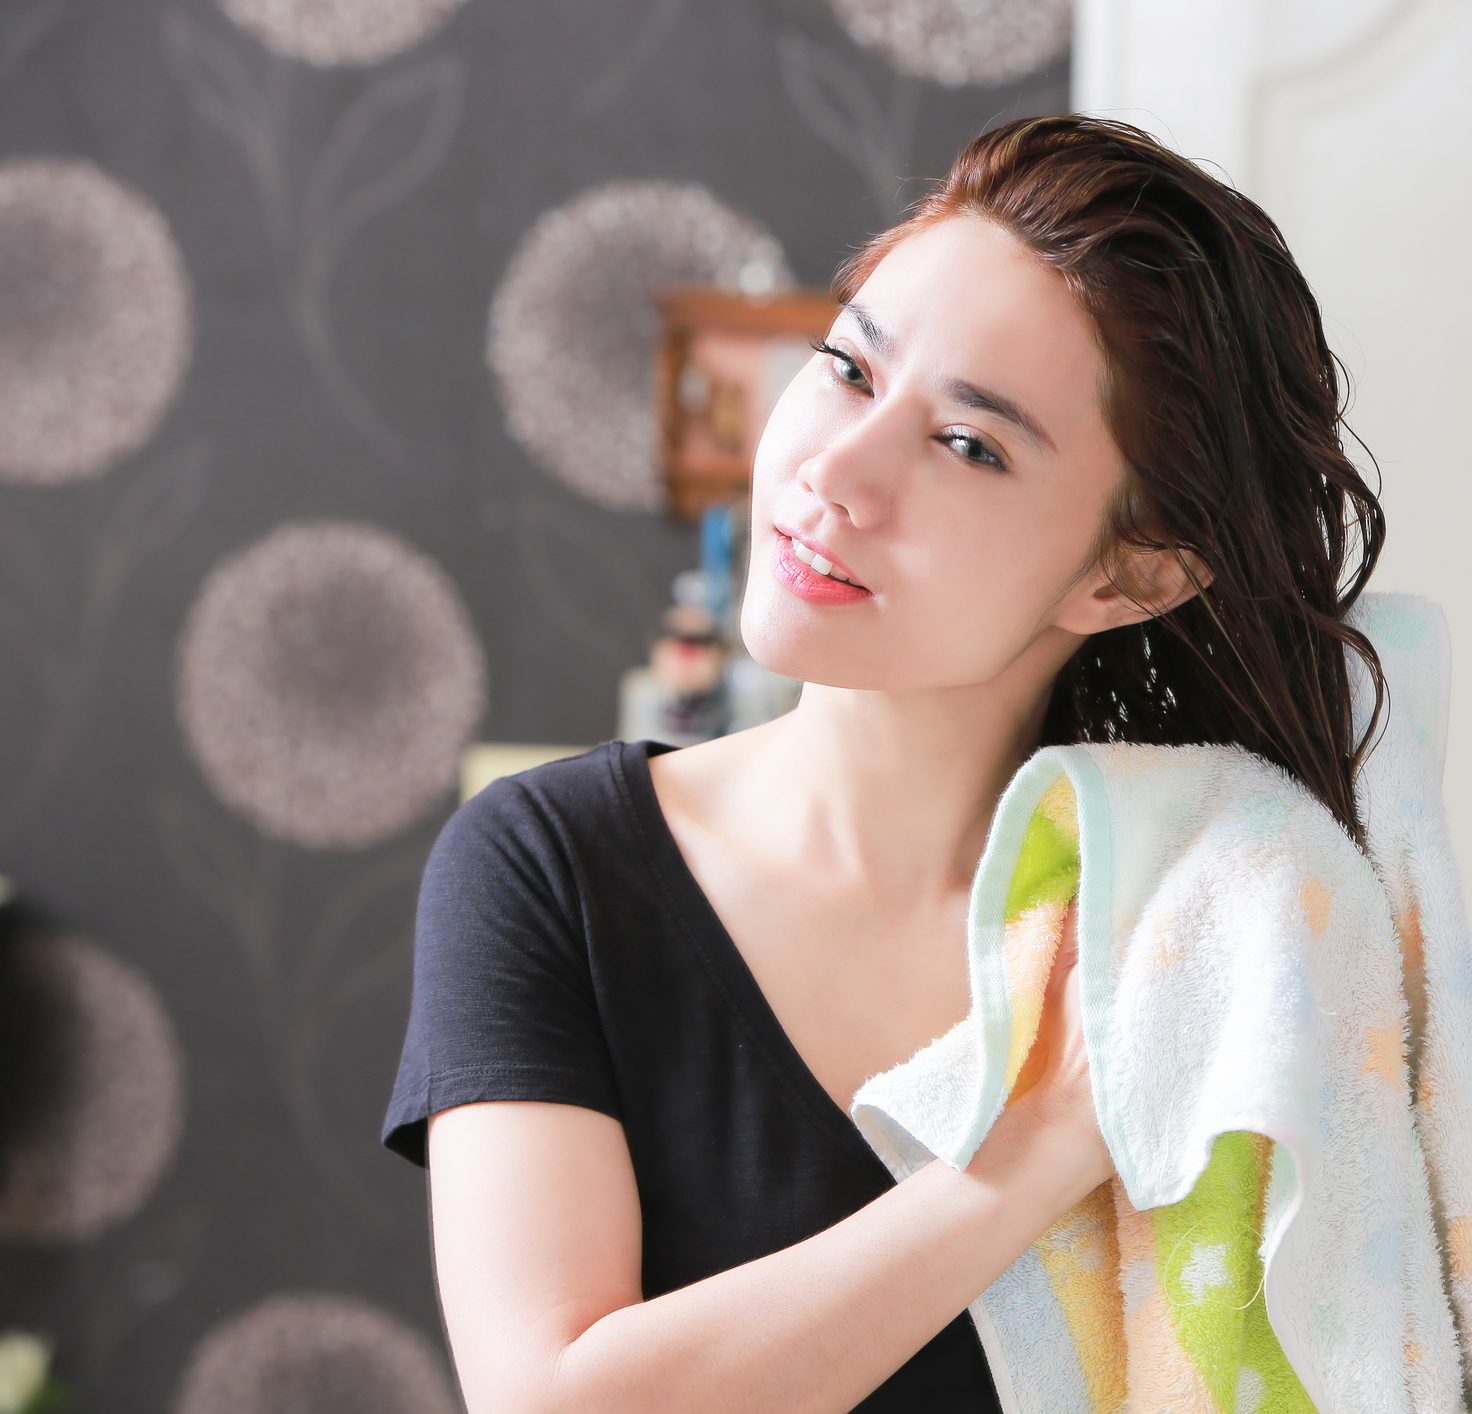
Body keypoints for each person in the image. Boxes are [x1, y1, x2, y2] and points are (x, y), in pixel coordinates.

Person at [380, 112, 1391, 1413]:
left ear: (1126, 570)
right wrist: (1043, 1148)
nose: (834, 471)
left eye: (969, 445)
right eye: (849, 370)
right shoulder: (549, 867)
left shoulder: (1202, 932)